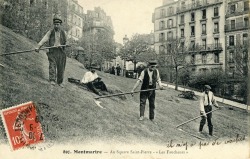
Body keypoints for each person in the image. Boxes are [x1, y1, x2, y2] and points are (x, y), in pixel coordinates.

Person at [35, 13, 67, 87]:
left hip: (61, 52)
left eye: (58, 24)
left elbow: (66, 42)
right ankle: (52, 80)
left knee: (61, 68)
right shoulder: (50, 32)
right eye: (55, 24)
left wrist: (66, 45)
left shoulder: (64, 33)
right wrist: (38, 46)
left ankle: (60, 82)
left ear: (60, 24)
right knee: (52, 65)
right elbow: (44, 39)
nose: (56, 26)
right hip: (52, 51)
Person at [131, 60, 164, 124]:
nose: (153, 68)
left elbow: (158, 79)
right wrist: (133, 90)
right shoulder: (144, 72)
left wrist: (160, 86)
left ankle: (152, 118)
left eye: (154, 67)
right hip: (144, 89)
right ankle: (141, 116)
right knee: (142, 102)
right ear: (149, 66)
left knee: (152, 104)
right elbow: (139, 81)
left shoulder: (156, 71)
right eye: (152, 67)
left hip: (152, 90)